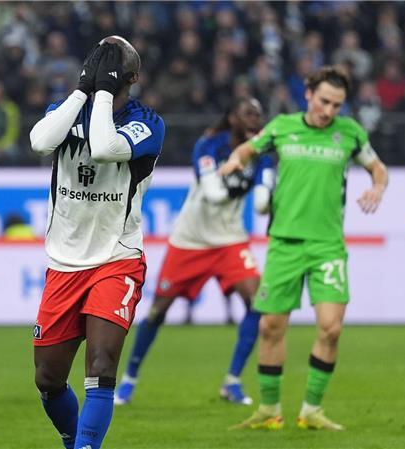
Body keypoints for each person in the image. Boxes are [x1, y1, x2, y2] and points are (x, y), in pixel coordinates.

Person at [222, 66, 388, 431]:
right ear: (308, 94)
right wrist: (237, 159)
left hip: (328, 246)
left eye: (337, 105)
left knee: (331, 329)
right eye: (325, 101)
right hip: (284, 244)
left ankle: (311, 409)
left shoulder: (350, 133)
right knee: (270, 326)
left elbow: (378, 168)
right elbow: (249, 148)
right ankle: (269, 410)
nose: (329, 111)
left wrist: (377, 187)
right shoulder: (283, 126)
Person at [29, 37, 165, 449]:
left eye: (112, 59)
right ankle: (75, 442)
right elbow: (39, 141)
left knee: (101, 367)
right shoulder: (69, 109)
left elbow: (106, 148)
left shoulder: (148, 122)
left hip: (116, 258)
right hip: (64, 263)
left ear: (133, 76)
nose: (103, 62)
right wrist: (82, 90)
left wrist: (103, 93)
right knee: (48, 378)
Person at [114, 98, 274, 407]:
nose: (255, 119)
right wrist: (236, 169)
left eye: (259, 114)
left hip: (230, 239)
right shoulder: (209, 144)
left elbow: (261, 202)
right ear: (232, 117)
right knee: (158, 311)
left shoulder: (261, 153)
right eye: (248, 114)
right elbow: (212, 195)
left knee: (258, 304)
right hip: (191, 240)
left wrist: (266, 188)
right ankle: (129, 380)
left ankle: (233, 381)